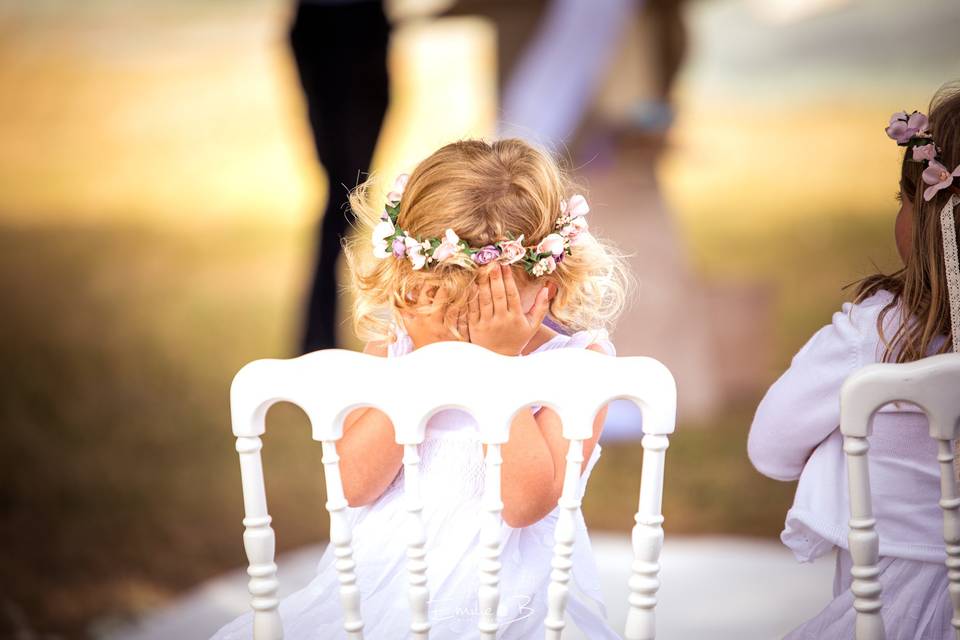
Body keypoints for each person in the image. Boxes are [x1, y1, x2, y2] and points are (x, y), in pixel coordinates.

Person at [213, 139, 629, 638]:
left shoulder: (577, 367)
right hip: (377, 598)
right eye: (446, 304)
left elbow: (523, 505)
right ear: (410, 280)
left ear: (550, 286)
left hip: (507, 614)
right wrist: (424, 365)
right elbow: (352, 484)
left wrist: (498, 366)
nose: (463, 332)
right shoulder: (401, 352)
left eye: (490, 308)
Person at [747, 83, 960, 639]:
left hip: (888, 612)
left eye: (904, 201)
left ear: (925, 216)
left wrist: (845, 434)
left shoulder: (875, 335)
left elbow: (768, 447)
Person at [290, 0, 390, 353]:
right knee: (346, 196)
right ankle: (318, 334)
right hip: (339, 32)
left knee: (346, 196)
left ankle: (318, 333)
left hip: (351, 28)